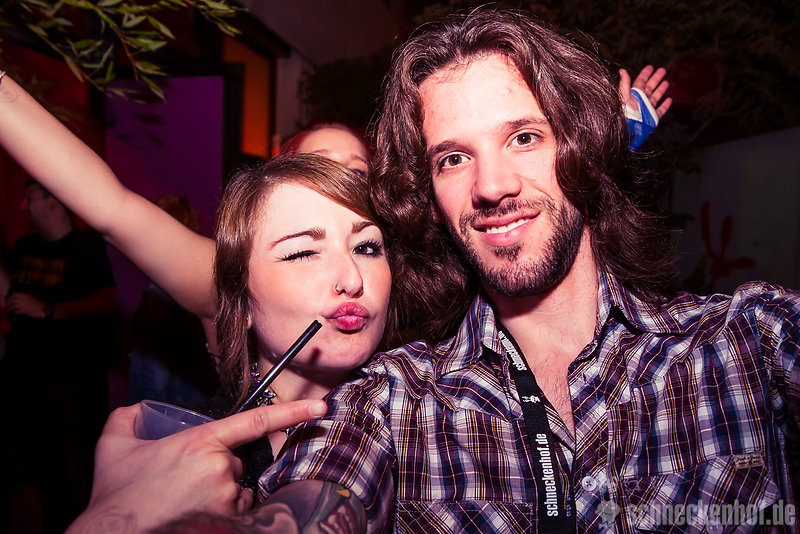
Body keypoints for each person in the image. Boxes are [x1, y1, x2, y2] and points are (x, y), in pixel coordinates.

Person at [204, 8, 797, 534]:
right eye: (453, 158)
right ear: (429, 196)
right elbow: (317, 498)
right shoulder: (391, 402)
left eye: (524, 137)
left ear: (584, 148)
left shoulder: (748, 341)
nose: (490, 186)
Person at [0, 180, 117, 533]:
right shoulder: (25, 246)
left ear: (53, 201)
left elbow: (107, 301)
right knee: (36, 474)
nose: (23, 207)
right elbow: (11, 297)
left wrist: (49, 310)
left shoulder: (85, 247)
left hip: (69, 386)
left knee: (73, 475)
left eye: (30, 198)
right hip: (22, 378)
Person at [128, 194, 219, 407]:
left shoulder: (159, 293)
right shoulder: (200, 285)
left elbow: (150, 377)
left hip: (166, 411)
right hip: (196, 408)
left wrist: (141, 416)